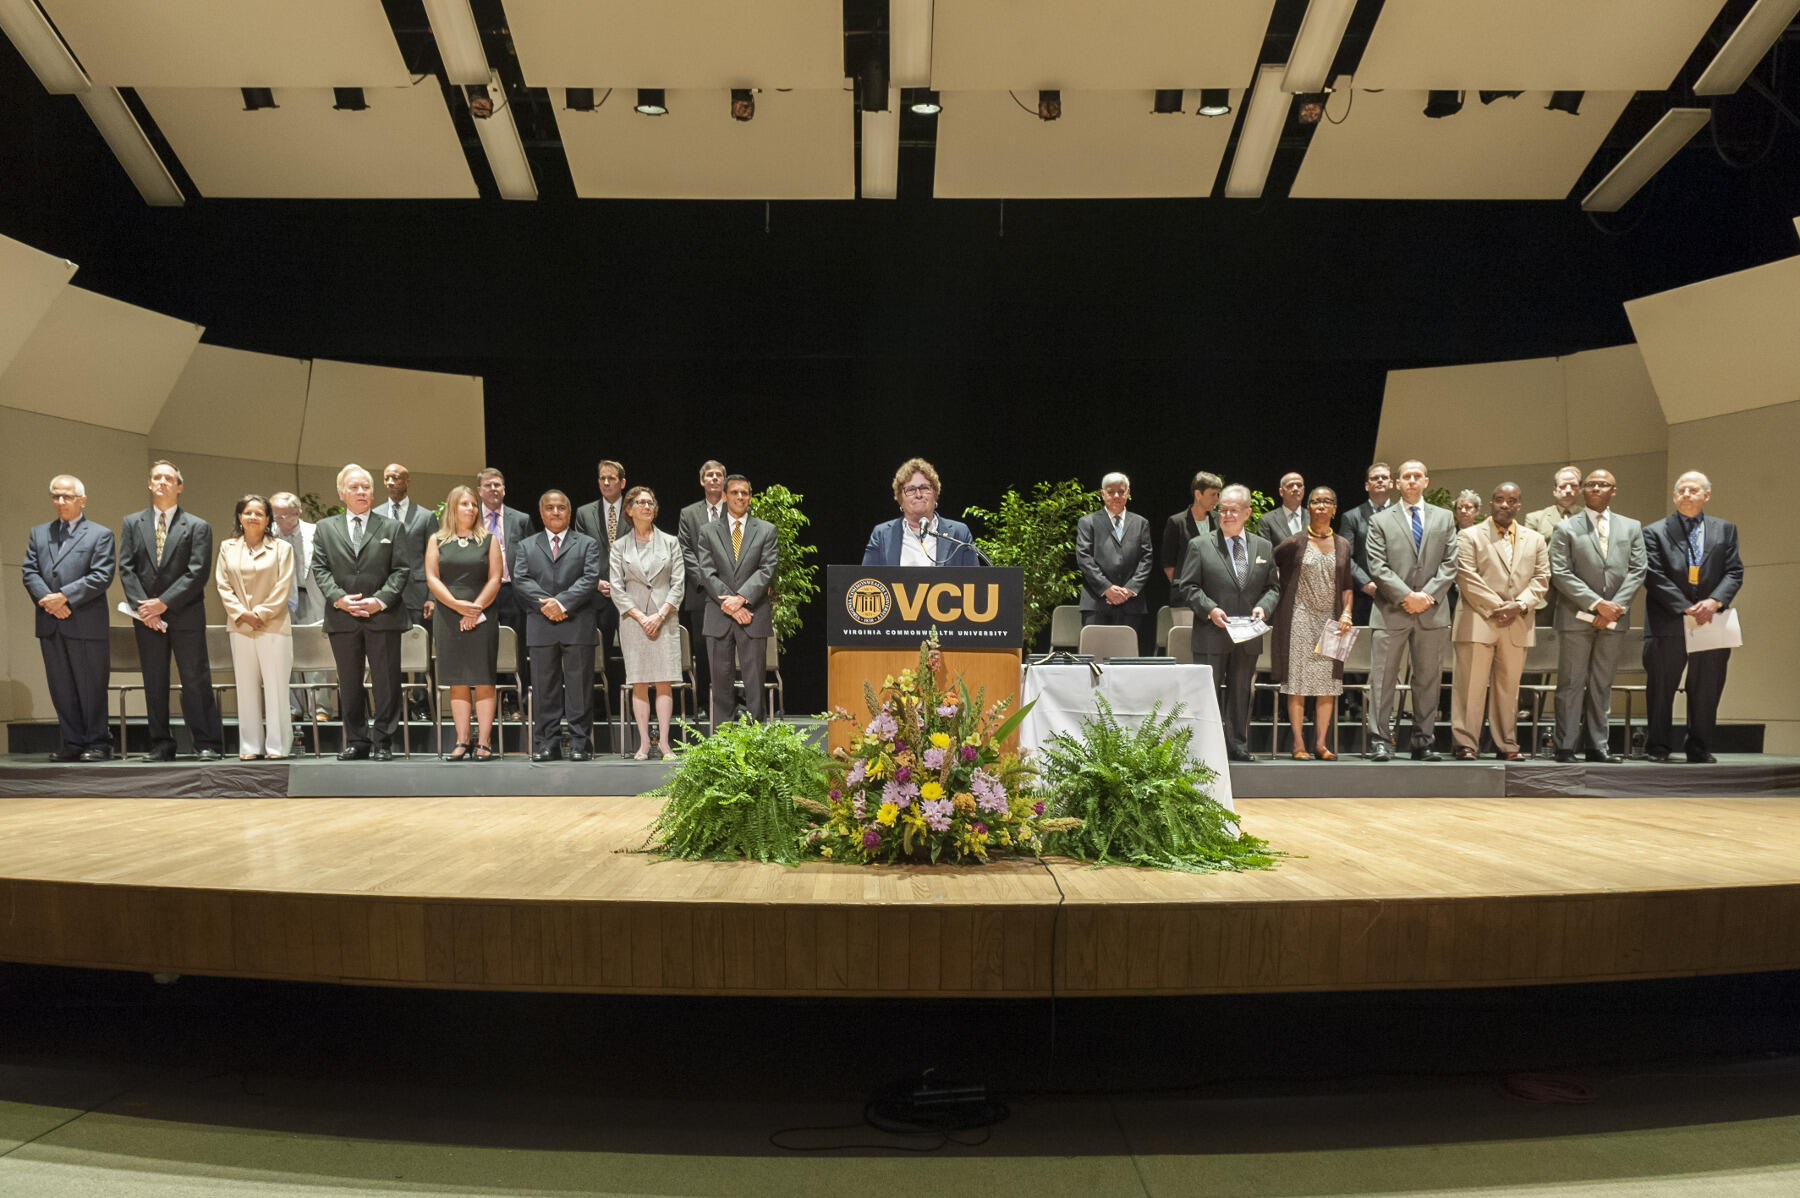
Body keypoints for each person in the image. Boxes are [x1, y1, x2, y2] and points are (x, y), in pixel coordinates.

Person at [119, 459, 224, 761]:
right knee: (154, 680)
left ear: (179, 487)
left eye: (169, 478)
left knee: (195, 678)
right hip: (146, 618)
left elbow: (197, 572)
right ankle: (161, 744)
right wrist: (145, 609)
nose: (162, 482)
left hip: (185, 613)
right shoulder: (131, 523)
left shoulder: (197, 526)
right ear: (149, 484)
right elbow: (126, 568)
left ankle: (207, 743)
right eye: (157, 477)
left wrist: (162, 603)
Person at [1642, 471, 1743, 764]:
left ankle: (1699, 748)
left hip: (1712, 619)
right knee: (1661, 686)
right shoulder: (1655, 531)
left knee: (1707, 686)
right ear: (1674, 497)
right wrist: (1686, 606)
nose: (1687, 494)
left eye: (1693, 490)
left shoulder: (1725, 529)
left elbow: (1734, 571)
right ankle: (1657, 747)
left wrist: (1713, 602)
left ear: (1706, 496)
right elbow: (1653, 574)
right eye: (1681, 490)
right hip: (1668, 619)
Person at [312, 463, 411, 761]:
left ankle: (383, 741)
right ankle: (357, 740)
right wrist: (339, 599)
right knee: (350, 682)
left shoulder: (391, 527)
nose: (361, 492)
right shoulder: (325, 528)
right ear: (342, 492)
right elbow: (320, 569)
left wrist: (379, 600)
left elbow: (401, 570)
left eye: (366, 487)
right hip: (343, 618)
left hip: (382, 616)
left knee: (386, 681)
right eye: (354, 487)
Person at [1548, 469, 1647, 764]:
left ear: (1613, 490)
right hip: (1575, 616)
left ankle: (1597, 745)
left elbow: (1638, 569)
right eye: (1590, 484)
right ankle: (1564, 746)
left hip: (1615, 617)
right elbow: (1561, 572)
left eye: (1602, 484)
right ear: (1582, 490)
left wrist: (1614, 606)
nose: (1596, 488)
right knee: (1571, 682)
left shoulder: (1631, 527)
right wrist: (1596, 604)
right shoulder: (1566, 528)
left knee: (1602, 683)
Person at [1174, 484, 1278, 763]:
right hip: (1212, 632)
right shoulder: (1200, 545)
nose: (1227, 515)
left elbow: (1273, 589)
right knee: (1206, 691)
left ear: (1248, 512)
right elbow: (1188, 586)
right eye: (1223, 510)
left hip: (1247, 635)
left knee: (1241, 691)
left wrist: (1263, 607)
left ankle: (1238, 745)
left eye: (1234, 510)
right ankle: (1202, 747)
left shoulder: (1264, 546)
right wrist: (1210, 609)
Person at [1365, 459, 1458, 761]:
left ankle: (1423, 741)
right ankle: (1380, 739)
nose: (1412, 481)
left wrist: (1426, 596)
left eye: (1418, 476)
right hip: (1392, 610)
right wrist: (1407, 596)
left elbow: (1450, 563)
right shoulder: (1380, 520)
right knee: (1383, 678)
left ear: (1426, 482)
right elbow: (1377, 566)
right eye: (1406, 477)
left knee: (1428, 678)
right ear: (1397, 483)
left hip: (1431, 612)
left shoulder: (1444, 518)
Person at [1450, 483, 1549, 761]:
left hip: (1517, 622)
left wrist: (1519, 605)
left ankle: (1507, 744)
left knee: (1509, 689)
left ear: (1519, 505)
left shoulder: (1535, 539)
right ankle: (1466, 744)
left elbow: (1542, 579)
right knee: (1470, 685)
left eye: (1512, 500)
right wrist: (1499, 608)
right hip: (1478, 618)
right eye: (1500, 500)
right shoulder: (1469, 536)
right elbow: (1466, 576)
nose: (1505, 505)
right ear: (1491, 504)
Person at [22, 474, 116, 761]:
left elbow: (101, 576)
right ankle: (73, 742)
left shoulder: (100, 534)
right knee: (61, 686)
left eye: (67, 496)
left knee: (91, 686)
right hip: (52, 623)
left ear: (82, 500)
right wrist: (50, 602)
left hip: (85, 622)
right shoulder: (40, 533)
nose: (60, 502)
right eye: (55, 496)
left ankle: (98, 743)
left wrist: (63, 597)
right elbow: (29, 572)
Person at [516, 490, 602, 761]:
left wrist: (561, 604)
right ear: (541, 513)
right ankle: (547, 743)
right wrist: (548, 605)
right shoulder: (527, 545)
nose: (555, 512)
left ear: (570, 511)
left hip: (576, 622)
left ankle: (580, 743)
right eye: (550, 508)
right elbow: (520, 579)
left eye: (561, 507)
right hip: (541, 624)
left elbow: (590, 578)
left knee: (579, 687)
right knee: (545, 688)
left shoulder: (587, 543)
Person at [1270, 487, 1354, 760]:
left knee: (1327, 684)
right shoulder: (1294, 542)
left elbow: (1347, 586)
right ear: (1308, 508)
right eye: (1315, 501)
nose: (1321, 506)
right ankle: (1297, 744)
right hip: (1300, 617)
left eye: (1327, 501)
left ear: (1334, 509)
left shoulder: (1343, 544)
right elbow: (1272, 566)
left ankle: (1320, 744)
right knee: (1298, 681)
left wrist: (1347, 613)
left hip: (1332, 620)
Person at [695, 474, 778, 732]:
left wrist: (741, 600)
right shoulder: (708, 531)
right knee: (720, 682)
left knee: (754, 683)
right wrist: (730, 605)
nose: (740, 497)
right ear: (724, 496)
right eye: (734, 493)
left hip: (753, 613)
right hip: (719, 616)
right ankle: (723, 739)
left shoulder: (766, 530)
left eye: (745, 493)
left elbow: (767, 569)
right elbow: (706, 572)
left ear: (750, 497)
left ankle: (755, 737)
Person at [214, 494, 295, 759]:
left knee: (276, 689)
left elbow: (283, 587)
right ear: (239, 516)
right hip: (240, 627)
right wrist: (241, 613)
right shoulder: (227, 547)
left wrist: (260, 613)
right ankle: (250, 746)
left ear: (268, 519)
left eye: (259, 513)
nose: (253, 517)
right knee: (246, 688)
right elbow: (223, 585)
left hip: (273, 625)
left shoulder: (282, 549)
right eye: (248, 512)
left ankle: (278, 746)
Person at [425, 484, 502, 761]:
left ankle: (483, 742)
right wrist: (458, 607)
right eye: (465, 503)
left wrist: (475, 609)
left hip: (483, 615)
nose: (471, 508)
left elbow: (495, 578)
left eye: (473, 504)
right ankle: (461, 740)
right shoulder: (437, 540)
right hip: (448, 616)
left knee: (483, 679)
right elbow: (432, 578)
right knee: (457, 681)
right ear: (452, 508)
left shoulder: (488, 539)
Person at [611, 486, 686, 759]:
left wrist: (661, 614)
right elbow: (617, 588)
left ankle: (664, 743)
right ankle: (644, 743)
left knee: (664, 681)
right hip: (634, 620)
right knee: (639, 681)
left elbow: (678, 584)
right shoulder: (619, 546)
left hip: (664, 618)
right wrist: (641, 617)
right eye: (640, 502)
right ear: (629, 509)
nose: (647, 506)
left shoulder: (670, 542)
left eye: (651, 502)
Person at [270, 491, 330, 736]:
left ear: (297, 513)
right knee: (286, 655)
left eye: (283, 515)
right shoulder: (269, 535)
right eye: (274, 515)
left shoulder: (316, 532)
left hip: (312, 596)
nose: (278, 520)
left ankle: (321, 707)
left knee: (316, 653)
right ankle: (293, 707)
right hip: (281, 601)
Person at [1074, 472, 1154, 655]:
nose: (1116, 496)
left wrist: (1129, 590)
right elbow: (1084, 558)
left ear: (1128, 493)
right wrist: (1106, 588)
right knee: (1094, 659)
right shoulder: (1087, 522)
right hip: (1096, 601)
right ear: (1102, 494)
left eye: (1121, 491)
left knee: (1125, 660)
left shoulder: (1141, 523)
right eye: (1111, 492)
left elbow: (1147, 559)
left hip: (1131, 602)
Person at [476, 466, 534, 709]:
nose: (493, 489)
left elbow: (532, 555)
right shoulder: (470, 517)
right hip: (480, 593)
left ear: (504, 489)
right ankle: (487, 703)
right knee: (483, 646)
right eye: (488, 485)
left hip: (512, 592)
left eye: (497, 484)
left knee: (515, 647)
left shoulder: (520, 519)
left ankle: (515, 703)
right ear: (479, 490)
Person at [677, 460, 728, 717]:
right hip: (700, 593)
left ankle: (728, 702)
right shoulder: (689, 513)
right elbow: (686, 550)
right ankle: (704, 704)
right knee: (702, 648)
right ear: (702, 481)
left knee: (729, 648)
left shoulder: (735, 509)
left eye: (719, 475)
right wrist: (708, 582)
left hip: (731, 593)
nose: (714, 479)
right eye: (709, 475)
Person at [862, 458, 982, 566]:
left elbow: (975, 582)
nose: (918, 495)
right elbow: (866, 580)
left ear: (935, 494)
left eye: (924, 488)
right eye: (911, 490)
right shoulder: (881, 535)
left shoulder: (959, 533)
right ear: (900, 499)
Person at [572, 459, 626, 660]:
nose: (606, 482)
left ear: (622, 482)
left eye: (611, 478)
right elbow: (579, 554)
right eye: (602, 478)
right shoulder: (584, 513)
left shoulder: (634, 510)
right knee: (598, 658)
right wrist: (594, 582)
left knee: (631, 656)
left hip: (629, 594)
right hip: (598, 595)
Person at [378, 463, 438, 631]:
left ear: (407, 482)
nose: (390, 482)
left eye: (395, 478)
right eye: (386, 478)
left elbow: (435, 559)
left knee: (418, 647)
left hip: (417, 595)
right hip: (383, 593)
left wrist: (432, 597)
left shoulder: (426, 517)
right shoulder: (375, 515)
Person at [1525, 466, 1584, 626]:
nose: (1568, 490)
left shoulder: (1590, 519)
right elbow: (1529, 555)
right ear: (1555, 490)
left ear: (1580, 489)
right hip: (1545, 593)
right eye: (1563, 486)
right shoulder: (1535, 518)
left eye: (1573, 486)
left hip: (1579, 592)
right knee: (1542, 643)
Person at [1338, 461, 1395, 627]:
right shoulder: (1351, 517)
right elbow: (1344, 556)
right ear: (1366, 485)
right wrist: (1366, 584)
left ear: (1391, 483)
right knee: (1360, 649)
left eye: (1384, 477)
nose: (1380, 480)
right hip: (1362, 595)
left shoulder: (1403, 516)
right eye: (1375, 478)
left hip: (1396, 595)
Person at [1161, 470, 1223, 585]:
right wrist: (1181, 586)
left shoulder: (1220, 519)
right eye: (1213, 494)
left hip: (1215, 591)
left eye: (1217, 494)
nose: (1216, 499)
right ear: (1198, 494)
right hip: (1185, 594)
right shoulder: (1176, 522)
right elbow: (1168, 562)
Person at [1260, 471, 1307, 546]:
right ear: (1281, 492)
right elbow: (1265, 553)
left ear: (1303, 490)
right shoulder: (1267, 520)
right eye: (1290, 485)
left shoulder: (1313, 517)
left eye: (1299, 485)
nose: (1295, 489)